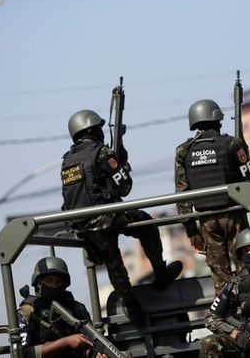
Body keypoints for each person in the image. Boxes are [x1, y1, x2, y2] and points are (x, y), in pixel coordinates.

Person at [61, 109, 182, 324]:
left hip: (83, 226)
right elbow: (125, 187)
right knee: (147, 225)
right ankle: (161, 274)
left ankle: (132, 306)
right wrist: (121, 161)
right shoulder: (101, 152)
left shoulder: (67, 161)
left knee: (113, 262)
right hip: (108, 216)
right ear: (92, 130)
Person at [175, 99, 250, 294]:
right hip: (233, 213)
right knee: (247, 268)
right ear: (218, 121)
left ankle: (227, 314)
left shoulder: (183, 151)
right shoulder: (232, 144)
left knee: (221, 277)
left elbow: (182, 194)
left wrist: (191, 231)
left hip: (206, 220)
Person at [200, 227, 250, 358]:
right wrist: (235, 333)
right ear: (240, 255)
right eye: (245, 251)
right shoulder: (237, 282)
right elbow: (211, 318)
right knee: (209, 342)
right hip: (245, 341)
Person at [18, 256, 108, 358]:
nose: (55, 285)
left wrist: (94, 354)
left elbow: (89, 344)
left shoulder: (77, 308)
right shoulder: (27, 312)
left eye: (59, 281)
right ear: (38, 283)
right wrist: (66, 342)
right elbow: (24, 353)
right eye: (49, 280)